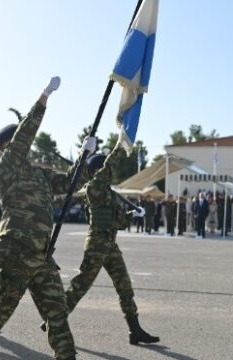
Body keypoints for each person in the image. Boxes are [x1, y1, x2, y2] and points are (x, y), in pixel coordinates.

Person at [0, 76, 96, 360]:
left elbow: (71, 183)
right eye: (19, 141)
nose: (26, 145)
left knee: (57, 314)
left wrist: (86, 158)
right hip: (16, 252)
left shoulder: (39, 174)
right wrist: (43, 98)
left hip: (41, 255)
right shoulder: (8, 167)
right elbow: (26, 135)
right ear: (8, 146)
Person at [59, 146, 159, 345]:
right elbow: (108, 167)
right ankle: (55, 320)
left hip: (110, 244)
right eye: (107, 170)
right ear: (99, 171)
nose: (111, 174)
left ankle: (135, 330)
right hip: (97, 243)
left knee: (125, 286)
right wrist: (121, 146)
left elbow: (118, 221)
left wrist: (133, 214)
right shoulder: (93, 187)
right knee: (80, 286)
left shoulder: (109, 192)